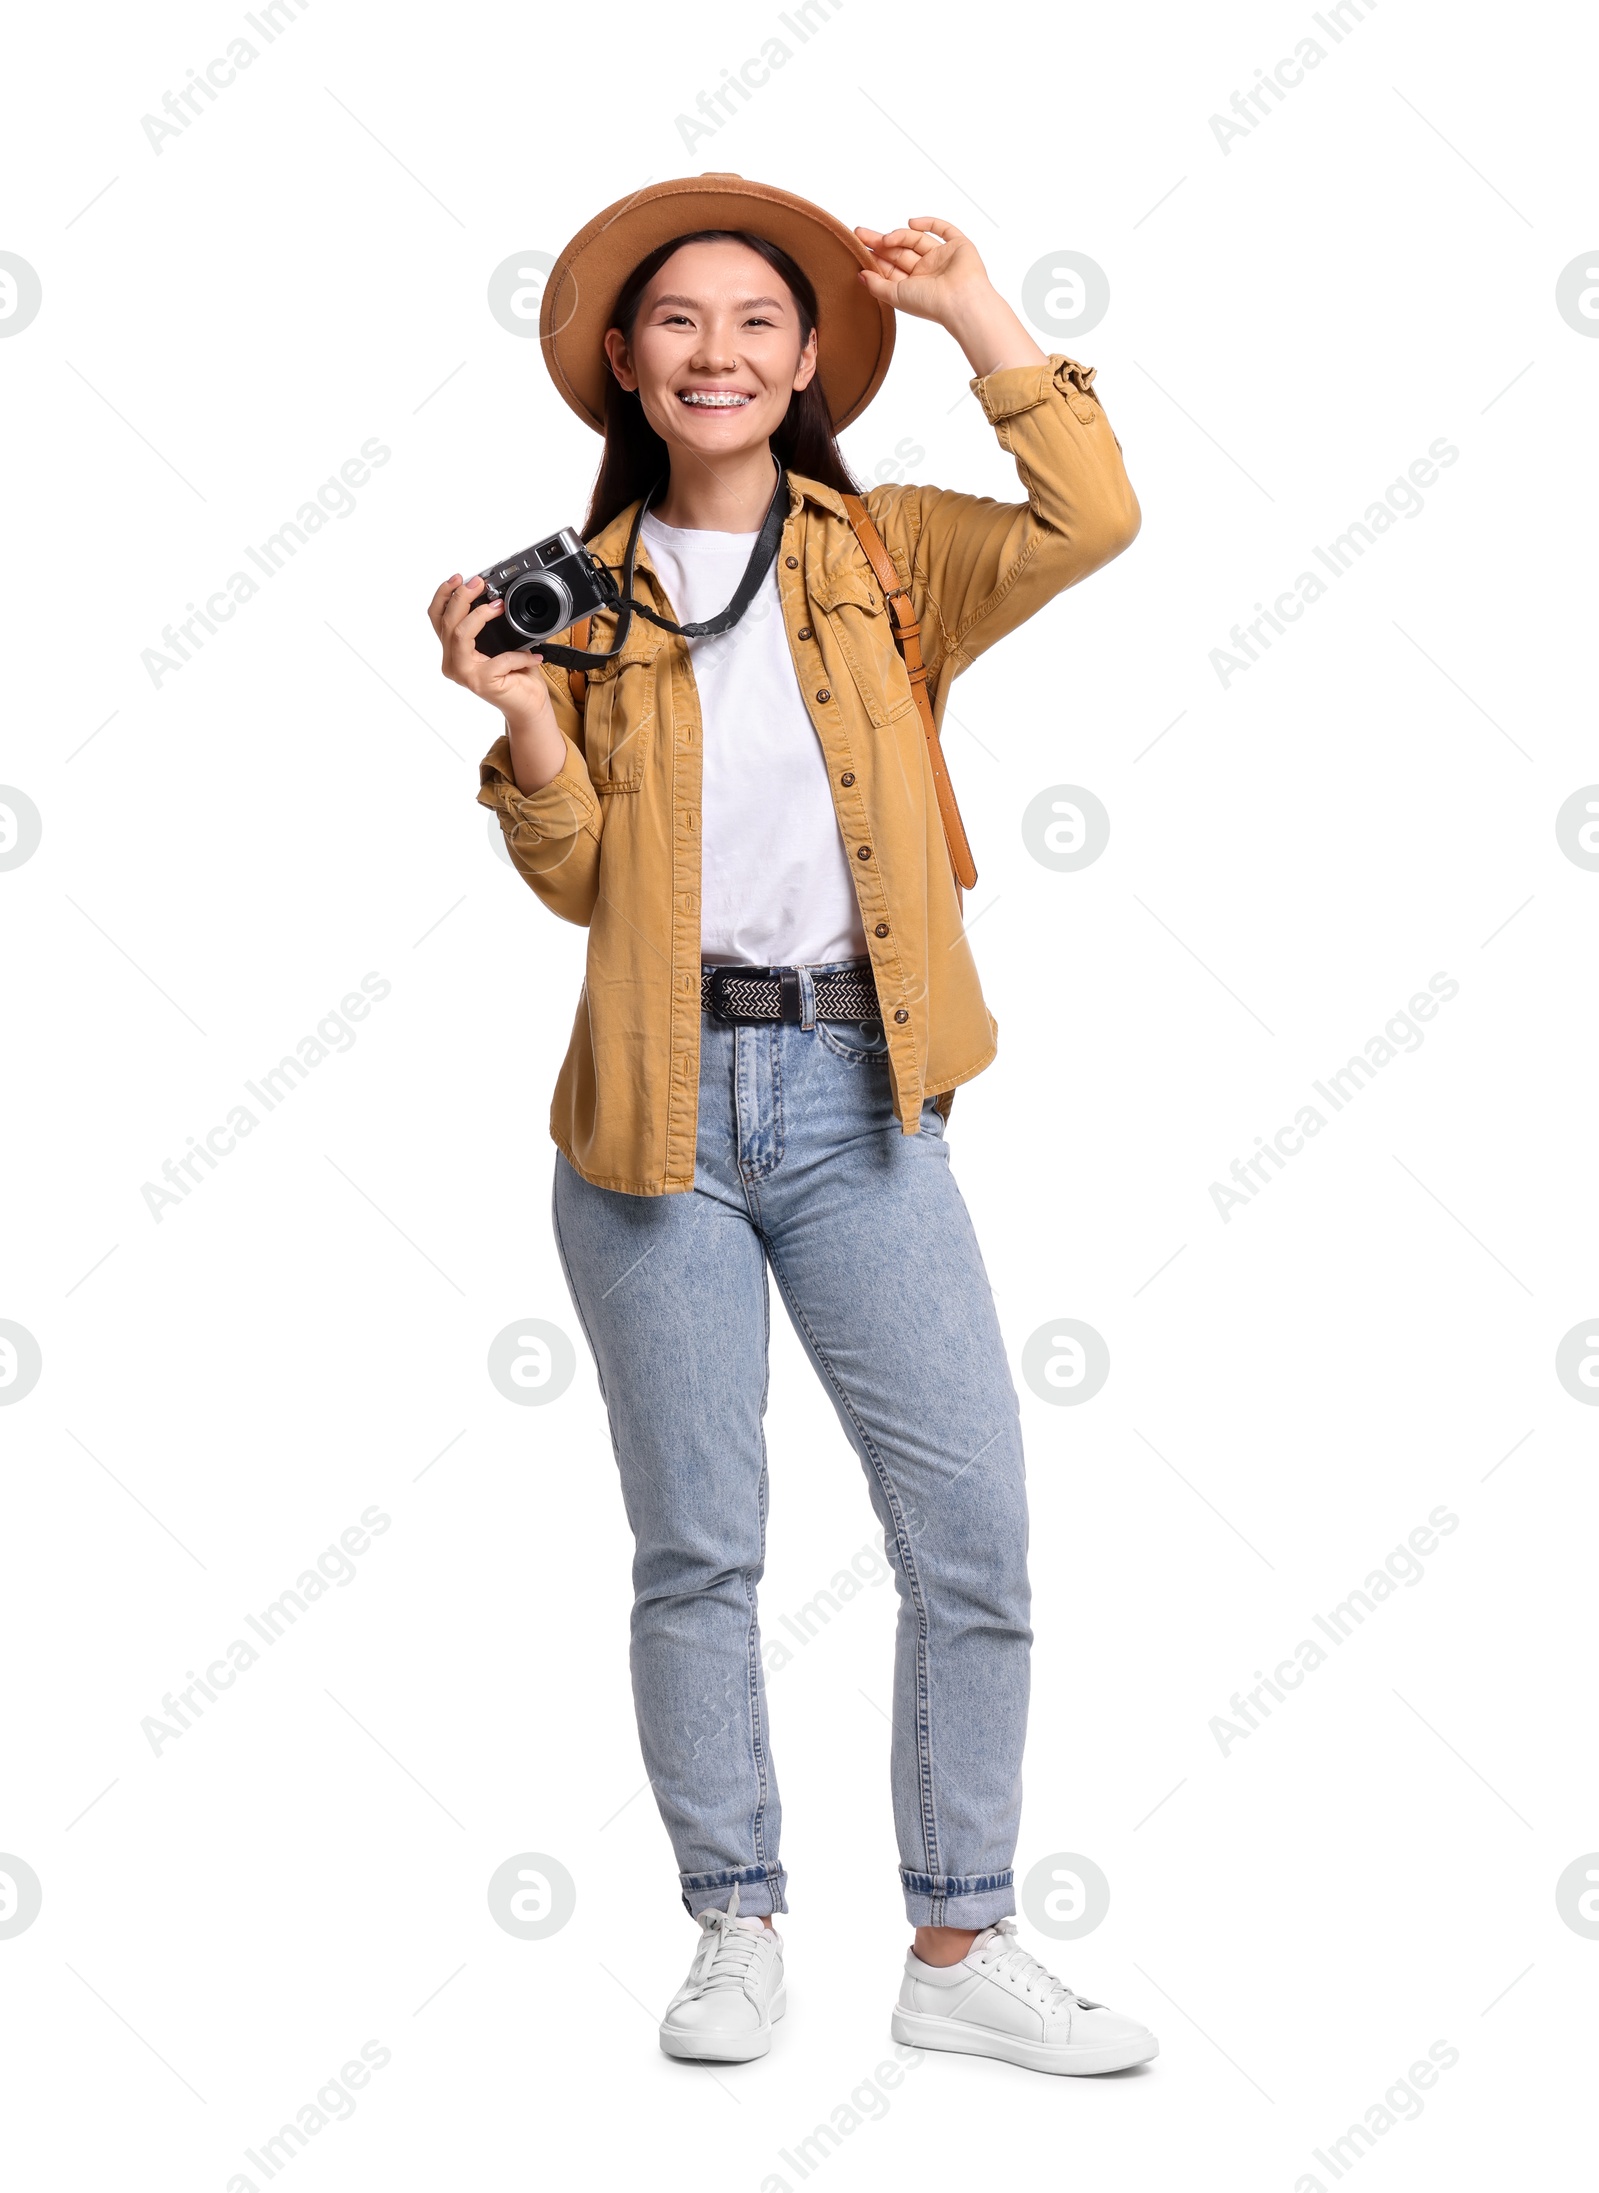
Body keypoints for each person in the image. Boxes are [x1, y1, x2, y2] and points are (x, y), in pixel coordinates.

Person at [427, 174, 1154, 2077]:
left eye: (757, 321)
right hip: (652, 1116)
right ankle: (735, 1921)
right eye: (678, 323)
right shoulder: (573, 603)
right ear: (621, 364)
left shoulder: (892, 554)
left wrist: (987, 306)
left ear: (812, 358)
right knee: (701, 1550)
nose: (721, 351)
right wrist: (524, 722)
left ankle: (959, 1936)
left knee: (974, 1529)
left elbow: (1098, 514)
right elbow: (578, 878)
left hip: (863, 1099)